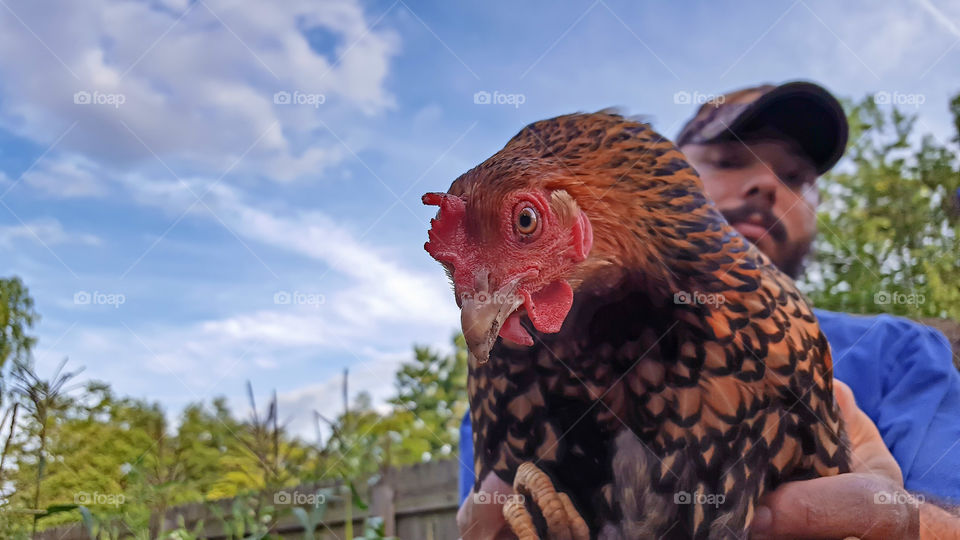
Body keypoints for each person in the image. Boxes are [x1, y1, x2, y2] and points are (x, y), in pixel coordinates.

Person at [456, 82, 960, 538]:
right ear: (655, 174)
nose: (765, 185)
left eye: (795, 176)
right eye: (729, 159)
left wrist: (912, 527)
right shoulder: (516, 360)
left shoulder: (900, 354)